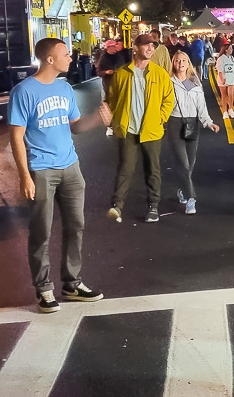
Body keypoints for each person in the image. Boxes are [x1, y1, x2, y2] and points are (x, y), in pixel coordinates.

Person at [9, 38, 109, 313]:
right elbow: (16, 136)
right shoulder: (23, 91)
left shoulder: (65, 88)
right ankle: (43, 288)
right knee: (41, 230)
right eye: (65, 54)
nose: (70, 57)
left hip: (70, 166)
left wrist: (97, 119)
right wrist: (24, 175)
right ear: (50, 59)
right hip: (41, 169)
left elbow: (75, 126)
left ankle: (72, 284)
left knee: (76, 225)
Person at [106, 33, 175, 224]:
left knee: (152, 170)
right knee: (125, 169)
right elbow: (112, 98)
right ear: (135, 47)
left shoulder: (159, 73)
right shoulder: (122, 73)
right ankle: (117, 205)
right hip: (128, 130)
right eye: (146, 45)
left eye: (153, 46)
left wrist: (160, 118)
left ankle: (153, 206)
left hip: (151, 130)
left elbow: (168, 100)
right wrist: (114, 120)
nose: (151, 48)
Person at [168, 51, 220, 215]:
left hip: (192, 123)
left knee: (190, 162)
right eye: (177, 60)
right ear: (173, 63)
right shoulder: (168, 82)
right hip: (175, 123)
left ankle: (183, 189)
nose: (181, 63)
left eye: (184, 60)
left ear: (188, 63)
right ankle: (191, 198)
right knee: (182, 162)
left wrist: (208, 122)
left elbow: (201, 105)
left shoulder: (193, 82)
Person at [215, 43, 234, 119]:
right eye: (230, 48)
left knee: (231, 94)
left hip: (231, 78)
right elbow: (220, 70)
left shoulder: (232, 58)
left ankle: (230, 109)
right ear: (226, 50)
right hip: (223, 78)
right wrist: (222, 79)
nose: (232, 50)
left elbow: (233, 68)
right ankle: (224, 111)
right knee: (224, 95)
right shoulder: (221, 59)